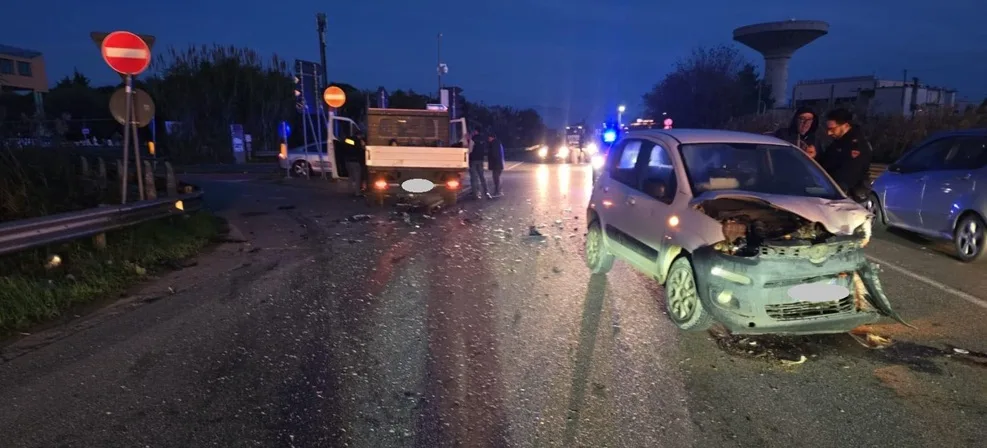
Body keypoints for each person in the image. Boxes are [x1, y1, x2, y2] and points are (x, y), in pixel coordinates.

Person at [818, 108, 874, 200]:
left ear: (846, 126)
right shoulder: (837, 143)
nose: (829, 133)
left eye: (832, 129)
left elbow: (849, 174)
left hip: (849, 195)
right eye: (828, 129)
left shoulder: (857, 145)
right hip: (834, 191)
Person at [468, 130, 489, 199]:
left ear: (476, 131)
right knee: (482, 176)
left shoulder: (473, 139)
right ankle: (486, 191)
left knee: (474, 177)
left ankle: (475, 193)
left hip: (473, 160)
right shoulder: (483, 139)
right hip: (480, 159)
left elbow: (470, 150)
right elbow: (484, 149)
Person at [486, 132, 506, 197]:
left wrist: (491, 160)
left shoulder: (494, 143)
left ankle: (498, 192)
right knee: (497, 178)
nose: (488, 139)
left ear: (491, 137)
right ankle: (499, 191)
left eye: (489, 138)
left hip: (496, 164)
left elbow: (494, 154)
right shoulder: (498, 143)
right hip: (498, 164)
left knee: (496, 178)